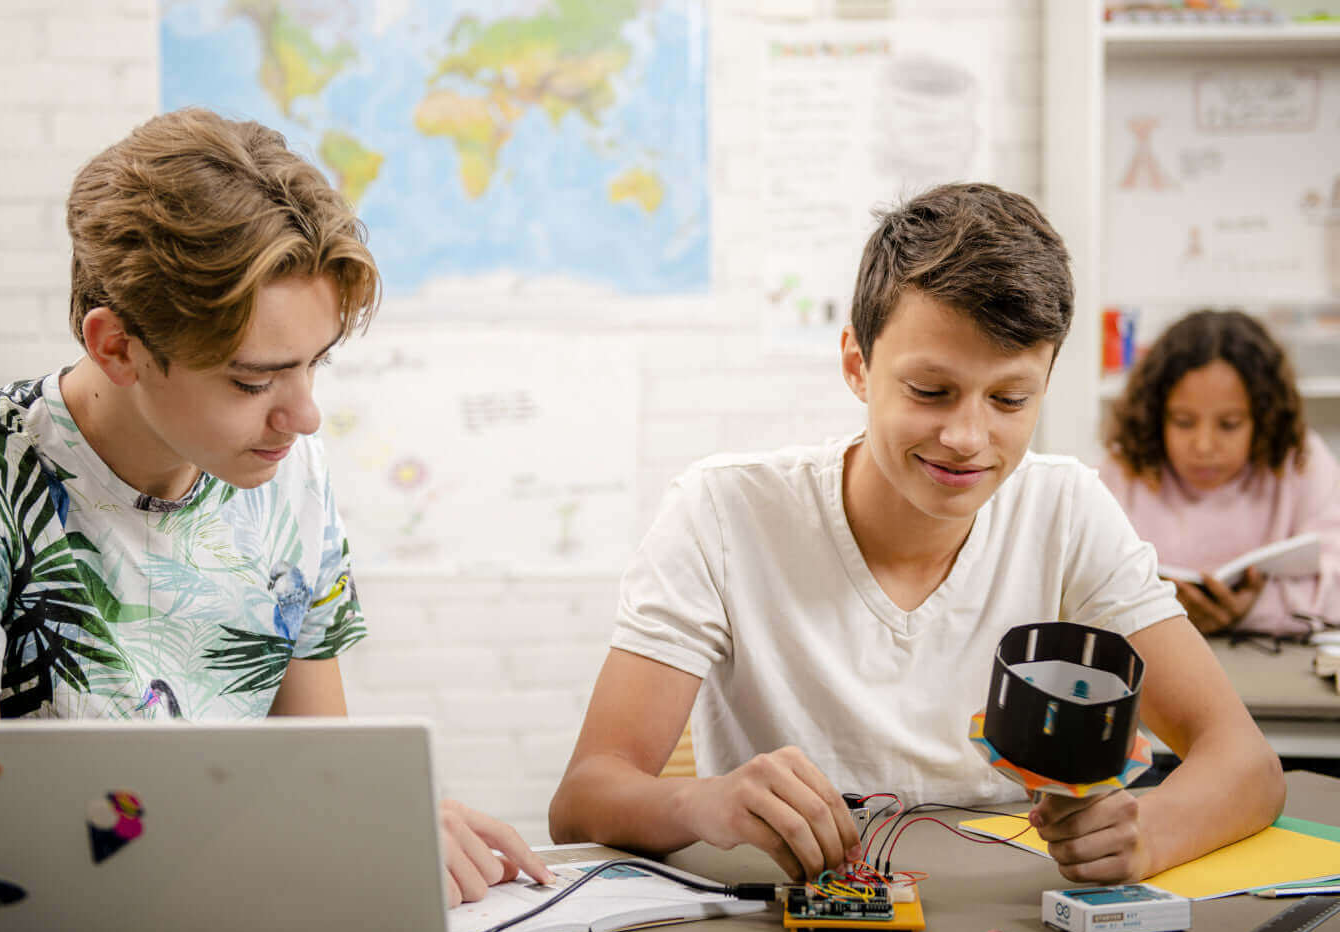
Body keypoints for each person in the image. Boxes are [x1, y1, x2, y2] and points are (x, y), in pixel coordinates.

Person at [0, 108, 554, 932]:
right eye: (254, 381)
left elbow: (323, 779)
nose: (304, 415)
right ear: (117, 347)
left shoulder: (288, 472)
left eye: (315, 364)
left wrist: (379, 827)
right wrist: (307, 836)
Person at [548, 183, 1284, 889]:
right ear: (857, 365)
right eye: (930, 392)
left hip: (1005, 918)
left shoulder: (1065, 508)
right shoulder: (722, 512)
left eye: (1010, 399)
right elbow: (584, 798)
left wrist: (1148, 834)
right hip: (792, 919)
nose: (967, 437)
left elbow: (1244, 761)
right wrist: (700, 803)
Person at [1100, 309, 1340, 636]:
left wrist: (1254, 608)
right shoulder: (1125, 469)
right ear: (1156, 417)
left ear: (1263, 419)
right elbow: (1084, 591)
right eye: (1183, 422)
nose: (1203, 445)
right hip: (1153, 655)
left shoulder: (1300, 461)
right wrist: (1165, 613)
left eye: (1229, 424)